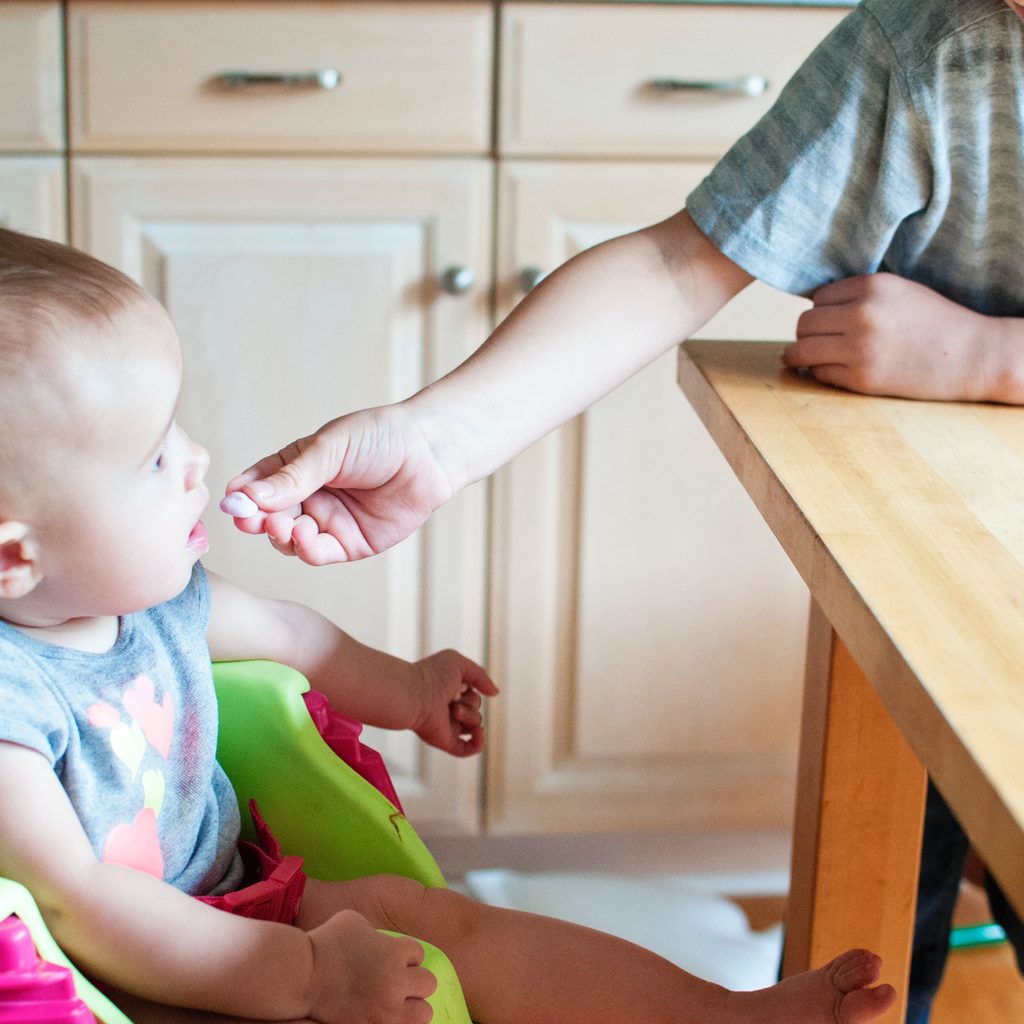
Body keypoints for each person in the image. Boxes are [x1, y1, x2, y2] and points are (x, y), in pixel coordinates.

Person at [220, 1, 1024, 1021]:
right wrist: (437, 439)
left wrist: (990, 358)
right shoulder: (929, 47)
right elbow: (679, 262)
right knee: (882, 915)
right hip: (933, 567)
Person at [0, 226, 898, 1024]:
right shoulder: (12, 705)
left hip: (239, 904)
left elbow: (293, 634)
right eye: (154, 458)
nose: (196, 458)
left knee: (440, 921)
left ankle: (719, 1016)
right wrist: (308, 977)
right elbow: (81, 903)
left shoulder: (154, 600)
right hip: (121, 982)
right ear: (15, 558)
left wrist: (411, 689)